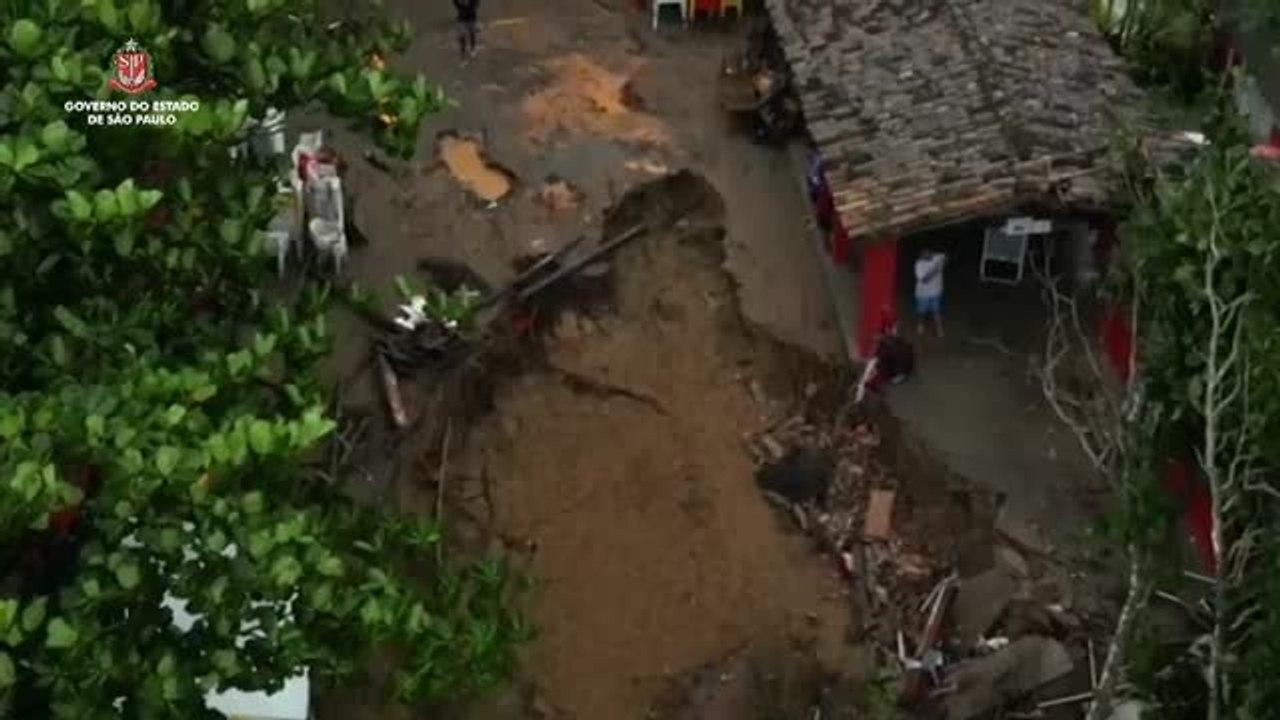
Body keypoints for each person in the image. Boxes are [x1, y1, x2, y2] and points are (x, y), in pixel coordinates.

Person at [914, 249, 947, 337]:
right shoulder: (919, 264)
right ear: (921, 255)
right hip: (923, 294)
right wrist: (935, 270)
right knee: (921, 312)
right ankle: (920, 326)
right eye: (925, 254)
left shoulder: (937, 257)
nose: (928, 255)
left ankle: (939, 330)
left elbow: (945, 257)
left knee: (936, 312)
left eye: (929, 253)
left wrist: (943, 262)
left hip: (936, 292)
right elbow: (924, 280)